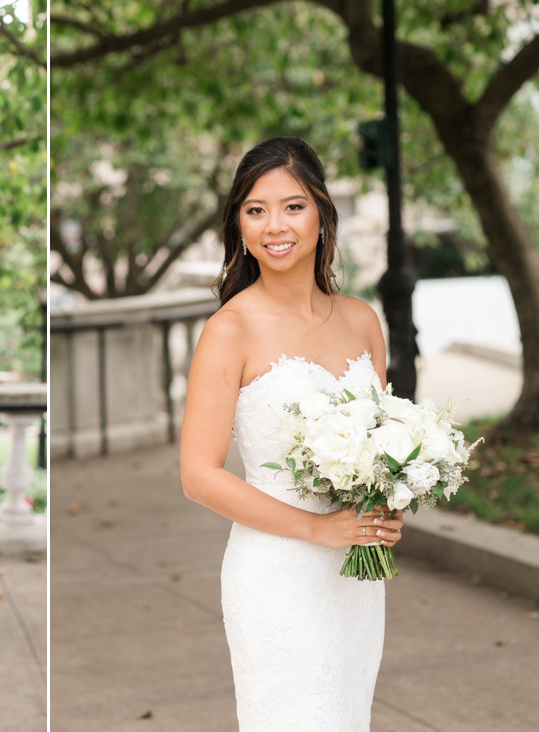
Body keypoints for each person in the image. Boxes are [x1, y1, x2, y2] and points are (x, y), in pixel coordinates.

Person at [179, 137, 405, 730]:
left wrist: (383, 506)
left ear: (323, 213)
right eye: (255, 210)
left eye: (292, 206)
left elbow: (383, 447)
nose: (274, 225)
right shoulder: (230, 331)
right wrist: (316, 528)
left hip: (355, 578)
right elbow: (198, 476)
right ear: (239, 226)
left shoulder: (361, 320)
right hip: (276, 576)